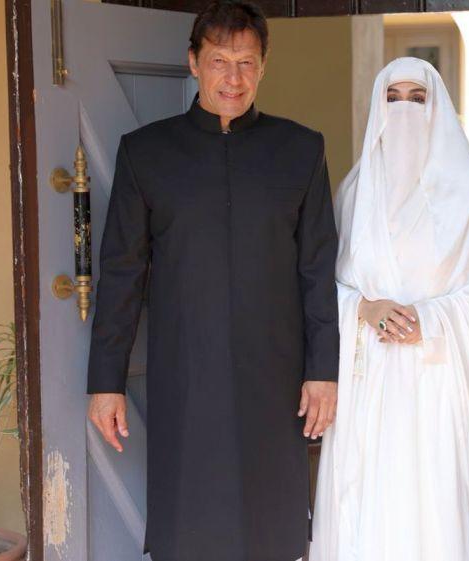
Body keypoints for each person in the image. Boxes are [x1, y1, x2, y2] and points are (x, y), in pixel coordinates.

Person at [85, 2, 339, 560]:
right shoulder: (146, 153)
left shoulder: (300, 150)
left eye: (247, 62)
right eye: (220, 61)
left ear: (264, 66)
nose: (233, 78)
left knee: (272, 524)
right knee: (189, 523)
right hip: (186, 368)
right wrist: (106, 381)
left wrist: (323, 371)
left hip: (276, 371)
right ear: (193, 63)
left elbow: (318, 269)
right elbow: (122, 272)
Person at [309, 57, 469, 561]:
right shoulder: (354, 194)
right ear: (378, 108)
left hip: (438, 389)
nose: (404, 110)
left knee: (432, 512)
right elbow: (321, 286)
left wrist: (430, 319)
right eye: (393, 98)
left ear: (437, 107)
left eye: (417, 99)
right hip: (367, 389)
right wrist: (364, 306)